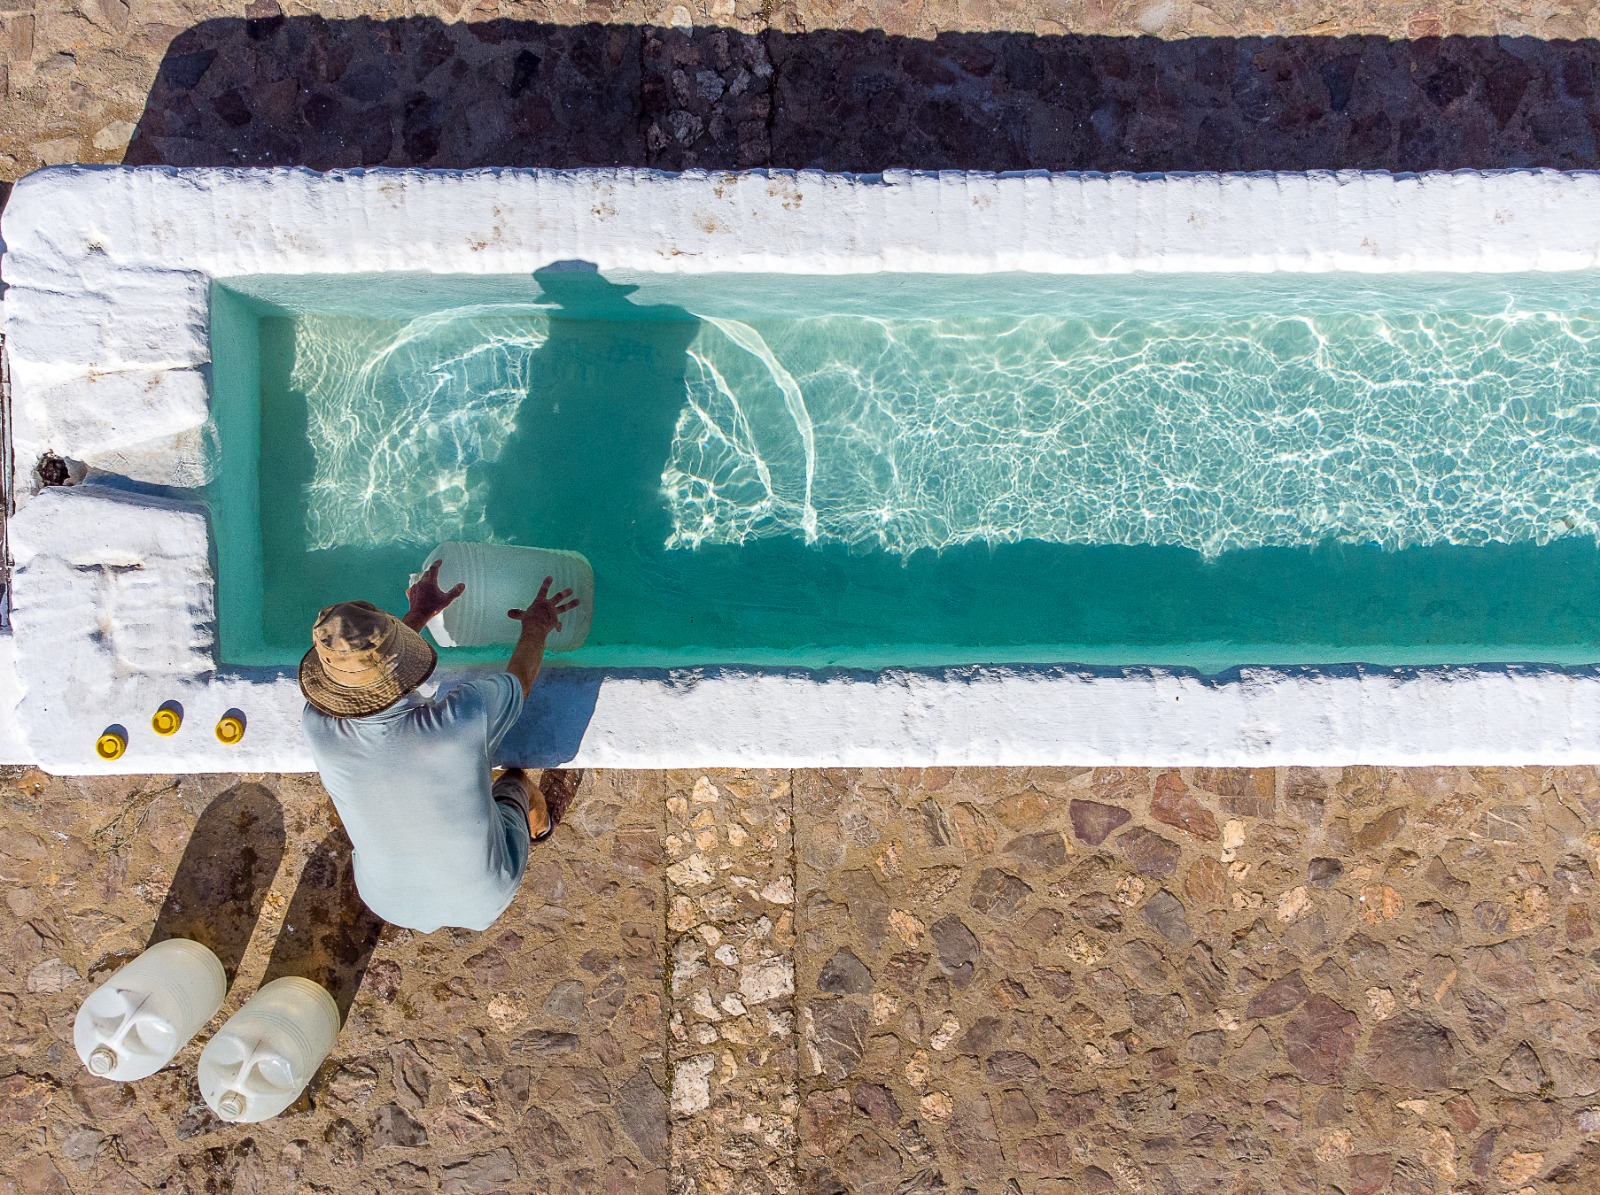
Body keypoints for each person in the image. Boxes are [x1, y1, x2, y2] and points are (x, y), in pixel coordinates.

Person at [298, 562, 580, 933]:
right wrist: (538, 625)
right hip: (487, 893)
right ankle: (538, 829)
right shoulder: (462, 720)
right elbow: (518, 682)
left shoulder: (317, 725)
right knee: (512, 783)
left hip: (386, 901)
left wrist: (417, 616)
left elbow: (368, 678)